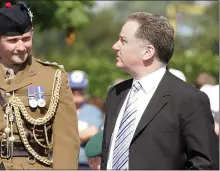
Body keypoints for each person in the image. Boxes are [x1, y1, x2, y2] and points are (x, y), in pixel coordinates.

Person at [0, 2, 79, 170]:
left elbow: (66, 143)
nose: (21, 47)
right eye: (12, 41)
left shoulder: (54, 78)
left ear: (32, 33)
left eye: (26, 39)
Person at [89, 12, 219, 170]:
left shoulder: (188, 98)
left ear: (147, 52)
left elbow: (205, 165)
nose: (115, 46)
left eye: (123, 40)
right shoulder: (116, 94)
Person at [68, 70, 103, 169]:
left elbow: (92, 132)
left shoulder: (93, 111)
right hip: (61, 163)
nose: (77, 92)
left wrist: (65, 139)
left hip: (85, 164)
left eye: (80, 89)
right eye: (73, 89)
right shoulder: (58, 109)